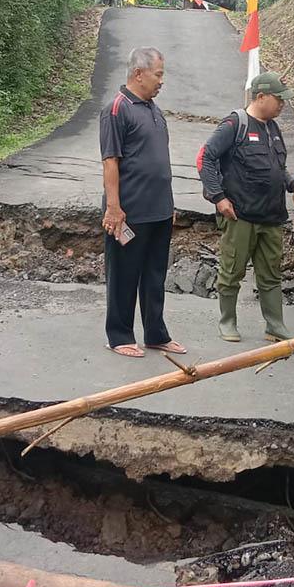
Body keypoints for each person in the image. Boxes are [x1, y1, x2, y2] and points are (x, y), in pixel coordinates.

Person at [199, 72, 294, 343]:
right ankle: (227, 322)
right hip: (241, 216)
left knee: (271, 274)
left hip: (271, 217)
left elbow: (277, 168)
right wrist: (218, 197)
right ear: (260, 97)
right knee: (232, 271)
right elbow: (206, 158)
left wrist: (293, 186)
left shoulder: (273, 128)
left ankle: (275, 326)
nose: (283, 105)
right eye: (279, 99)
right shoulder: (235, 124)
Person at [99, 47, 186, 358]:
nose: (162, 81)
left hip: (159, 210)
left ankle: (155, 333)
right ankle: (119, 335)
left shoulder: (153, 109)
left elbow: (158, 162)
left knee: (154, 275)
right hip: (129, 210)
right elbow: (111, 161)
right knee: (124, 274)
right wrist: (113, 208)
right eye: (158, 74)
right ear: (139, 74)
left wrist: (168, 204)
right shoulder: (117, 109)